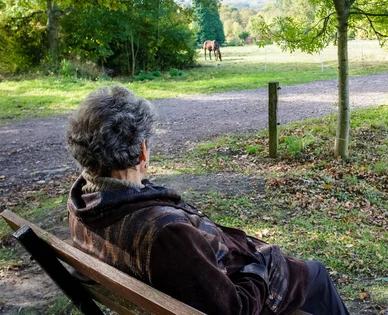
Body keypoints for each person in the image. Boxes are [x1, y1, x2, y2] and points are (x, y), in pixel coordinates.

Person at [66, 86, 349, 315]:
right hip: (240, 283)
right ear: (142, 151)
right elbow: (234, 309)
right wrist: (262, 265)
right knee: (317, 275)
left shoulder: (85, 201)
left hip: (167, 288)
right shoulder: (166, 234)